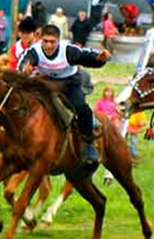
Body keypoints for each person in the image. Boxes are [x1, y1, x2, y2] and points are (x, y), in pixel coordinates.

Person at [19, 24, 111, 166]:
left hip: (69, 83)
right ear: (41, 40)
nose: (49, 46)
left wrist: (100, 58)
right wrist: (24, 68)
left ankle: (88, 144)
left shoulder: (68, 50)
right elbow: (23, 62)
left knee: (82, 108)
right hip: (45, 83)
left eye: (52, 42)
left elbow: (86, 55)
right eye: (46, 41)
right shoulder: (35, 51)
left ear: (58, 40)